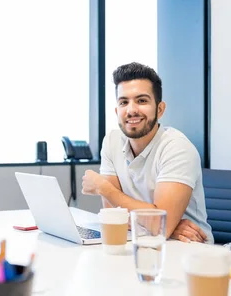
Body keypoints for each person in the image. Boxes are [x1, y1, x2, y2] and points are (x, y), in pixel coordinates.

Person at [81, 62, 213, 243]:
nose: (131, 110)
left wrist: (102, 188)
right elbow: (113, 215)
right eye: (124, 102)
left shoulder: (177, 148)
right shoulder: (111, 141)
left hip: (189, 248)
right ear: (117, 110)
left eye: (141, 101)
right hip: (142, 240)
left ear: (160, 109)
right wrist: (159, 223)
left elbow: (161, 227)